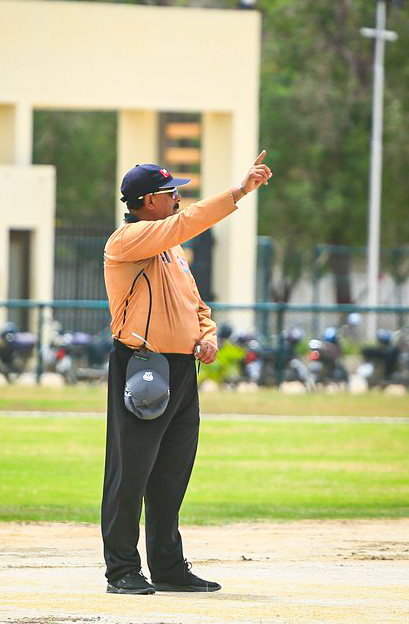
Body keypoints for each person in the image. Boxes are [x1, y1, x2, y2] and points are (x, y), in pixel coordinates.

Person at [101, 150, 273, 595]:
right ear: (147, 201)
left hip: (181, 368)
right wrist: (239, 192)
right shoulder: (127, 239)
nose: (177, 198)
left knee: (171, 474)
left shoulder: (173, 249)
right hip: (143, 365)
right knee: (130, 474)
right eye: (170, 192)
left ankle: (168, 567)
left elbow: (198, 306)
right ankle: (122, 570)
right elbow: (187, 222)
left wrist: (208, 334)